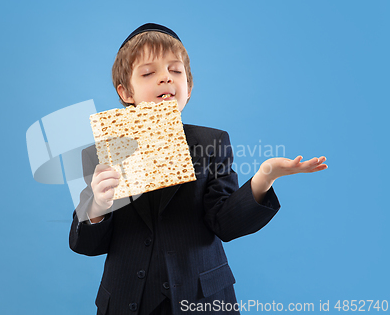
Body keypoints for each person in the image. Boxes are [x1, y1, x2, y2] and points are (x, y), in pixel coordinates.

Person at [69, 23, 327, 315]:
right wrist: (98, 208)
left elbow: (225, 224)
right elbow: (86, 245)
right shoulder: (101, 154)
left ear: (188, 88)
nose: (166, 78)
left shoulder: (212, 142)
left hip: (202, 300)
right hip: (128, 301)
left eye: (175, 71)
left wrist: (264, 177)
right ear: (125, 91)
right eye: (148, 73)